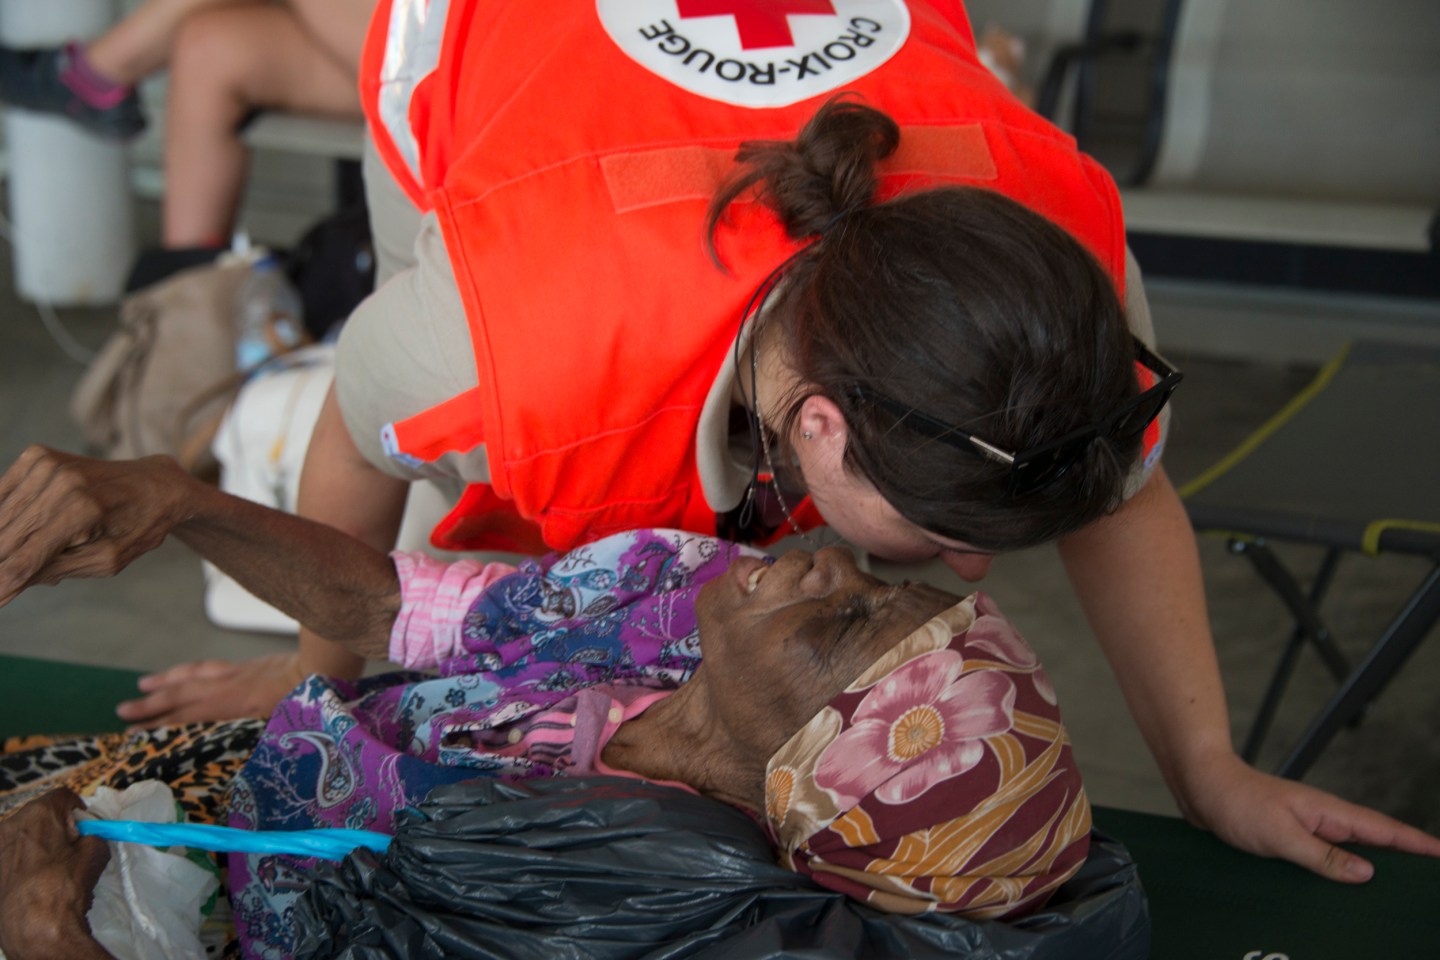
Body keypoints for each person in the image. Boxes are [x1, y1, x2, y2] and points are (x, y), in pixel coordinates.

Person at [61, 0, 1440, 886]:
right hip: (502, 58)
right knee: (518, 548)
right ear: (820, 428)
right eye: (951, 539)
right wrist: (318, 677)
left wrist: (1210, 774)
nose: (968, 575)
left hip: (772, 88)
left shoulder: (1060, 257)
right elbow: (363, 451)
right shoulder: (495, 342)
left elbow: (1123, 497)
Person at [0, 448, 1092, 957]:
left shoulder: (625, 906)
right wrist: (178, 499)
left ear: (798, 774)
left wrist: (52, 936)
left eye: (844, 623)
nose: (832, 566)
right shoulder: (674, 597)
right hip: (248, 790)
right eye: (881, 582)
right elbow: (397, 611)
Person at [0, 0, 374, 249]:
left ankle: (92, 75)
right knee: (209, 49)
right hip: (383, 38)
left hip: (424, 61)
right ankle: (183, 315)